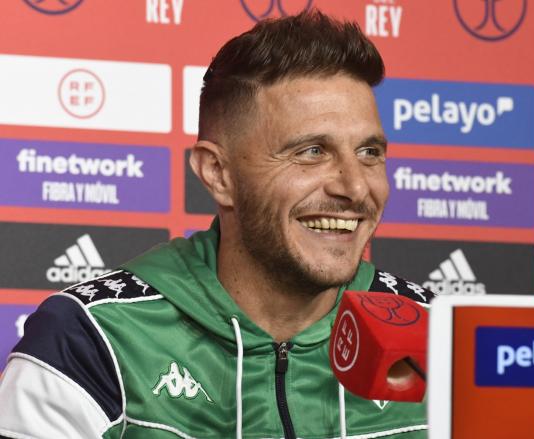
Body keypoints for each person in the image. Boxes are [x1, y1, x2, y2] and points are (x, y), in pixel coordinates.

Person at [0, 10, 434, 439]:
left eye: (370, 153)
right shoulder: (90, 338)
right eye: (313, 152)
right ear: (218, 174)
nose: (356, 187)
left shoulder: (442, 335)